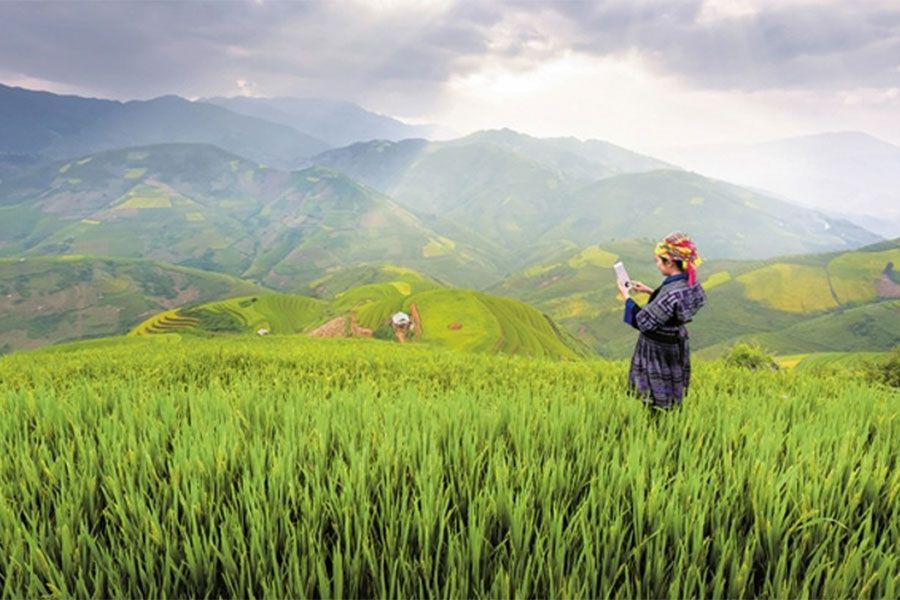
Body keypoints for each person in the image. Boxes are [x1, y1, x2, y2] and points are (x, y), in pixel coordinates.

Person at [618, 232, 707, 409]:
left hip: (658, 346)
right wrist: (650, 292)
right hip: (677, 341)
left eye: (659, 260)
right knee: (673, 381)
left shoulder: (670, 292)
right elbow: (678, 308)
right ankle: (670, 411)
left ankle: (652, 417)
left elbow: (643, 322)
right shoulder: (691, 284)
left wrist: (626, 296)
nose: (657, 264)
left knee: (651, 387)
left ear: (670, 262)